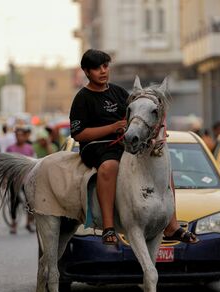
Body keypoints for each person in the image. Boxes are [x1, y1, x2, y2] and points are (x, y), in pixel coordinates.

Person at [69, 49, 198, 245]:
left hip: (124, 143)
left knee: (163, 164)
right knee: (110, 167)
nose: (103, 71)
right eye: (96, 68)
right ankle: (108, 227)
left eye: (105, 66)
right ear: (86, 72)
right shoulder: (82, 98)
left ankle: (171, 225)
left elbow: (135, 118)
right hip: (96, 147)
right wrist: (112, 128)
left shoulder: (119, 92)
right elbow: (79, 134)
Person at [6, 127, 36, 234]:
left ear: (25, 136)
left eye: (21, 135)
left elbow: (34, 164)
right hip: (14, 180)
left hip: (27, 180)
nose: (19, 137)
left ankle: (29, 223)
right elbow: (7, 165)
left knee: (30, 202)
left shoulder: (29, 148)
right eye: (17, 135)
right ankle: (13, 223)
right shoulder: (10, 148)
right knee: (14, 202)